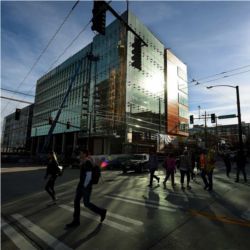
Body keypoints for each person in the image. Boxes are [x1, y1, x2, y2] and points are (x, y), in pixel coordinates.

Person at [66, 149, 107, 228]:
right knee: (76, 202)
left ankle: (102, 212)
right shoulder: (84, 161)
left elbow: (89, 175)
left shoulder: (87, 162)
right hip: (81, 185)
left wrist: (84, 186)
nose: (80, 155)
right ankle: (76, 221)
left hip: (85, 186)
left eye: (81, 153)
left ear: (84, 154)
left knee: (86, 203)